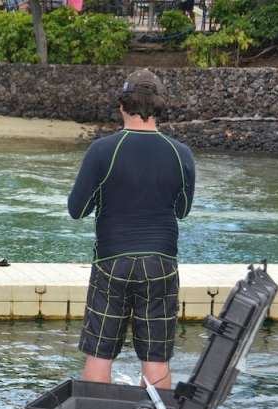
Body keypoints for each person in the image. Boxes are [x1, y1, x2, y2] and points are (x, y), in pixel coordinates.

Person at [67, 69, 195, 390]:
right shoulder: (181, 154)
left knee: (99, 354)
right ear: (160, 106)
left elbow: (77, 210)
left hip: (112, 261)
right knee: (155, 359)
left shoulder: (102, 150)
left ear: (122, 105)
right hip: (160, 263)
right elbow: (182, 210)